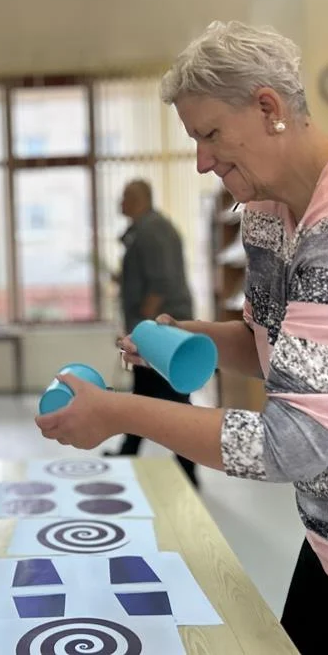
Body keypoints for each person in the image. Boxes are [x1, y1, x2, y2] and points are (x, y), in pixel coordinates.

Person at [35, 20, 328, 654]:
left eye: (210, 134)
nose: (202, 160)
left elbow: (295, 444)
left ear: (269, 108)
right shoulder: (267, 209)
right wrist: (192, 335)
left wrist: (119, 412)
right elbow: (280, 345)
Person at [104, 179, 199, 486]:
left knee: (173, 398)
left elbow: (161, 283)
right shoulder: (143, 230)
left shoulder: (154, 229)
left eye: (124, 197)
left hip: (161, 332)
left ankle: (189, 467)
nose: (120, 203)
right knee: (145, 392)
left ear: (138, 199)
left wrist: (143, 330)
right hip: (152, 329)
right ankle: (130, 451)